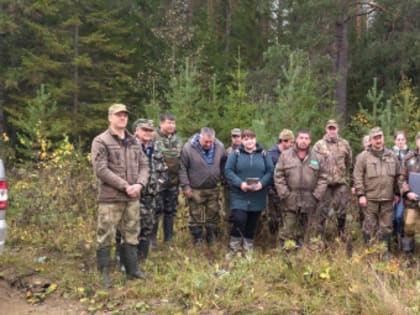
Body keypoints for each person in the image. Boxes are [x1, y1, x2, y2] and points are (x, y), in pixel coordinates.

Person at [91, 104, 149, 287]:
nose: (122, 118)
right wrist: (126, 186)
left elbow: (144, 165)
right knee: (105, 235)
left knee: (132, 234)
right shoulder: (101, 141)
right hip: (110, 198)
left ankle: (132, 271)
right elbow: (100, 169)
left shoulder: (134, 141)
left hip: (132, 198)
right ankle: (104, 274)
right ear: (110, 118)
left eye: (125, 115)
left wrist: (139, 184)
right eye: (118, 115)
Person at [274, 129, 328, 247]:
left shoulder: (318, 157)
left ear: (310, 141)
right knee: (288, 230)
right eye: (301, 138)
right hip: (290, 199)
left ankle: (301, 254)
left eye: (306, 138)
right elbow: (278, 176)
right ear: (296, 140)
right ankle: (286, 256)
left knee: (305, 231)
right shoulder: (285, 155)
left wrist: (316, 195)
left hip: (310, 199)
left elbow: (323, 178)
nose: (303, 141)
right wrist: (285, 194)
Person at [224, 129, 274, 256]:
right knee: (239, 219)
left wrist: (261, 184)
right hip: (239, 193)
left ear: (255, 139)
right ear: (242, 141)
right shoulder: (235, 154)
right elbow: (228, 170)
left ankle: (248, 249)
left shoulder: (263, 154)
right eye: (246, 139)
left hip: (257, 194)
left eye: (251, 138)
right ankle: (233, 249)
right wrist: (240, 184)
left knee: (252, 222)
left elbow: (270, 171)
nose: (249, 141)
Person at [353, 127, 401, 253]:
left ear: (383, 138)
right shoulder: (364, 157)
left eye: (380, 137)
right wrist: (361, 195)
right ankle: (369, 254)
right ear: (371, 140)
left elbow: (398, 175)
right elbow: (357, 176)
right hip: (370, 199)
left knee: (386, 228)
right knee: (369, 227)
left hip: (387, 199)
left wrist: (397, 192)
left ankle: (384, 253)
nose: (378, 140)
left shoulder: (392, 156)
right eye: (375, 138)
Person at [179, 127, 226, 246]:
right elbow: (182, 168)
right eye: (206, 142)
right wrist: (186, 186)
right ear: (200, 138)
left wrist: (223, 178)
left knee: (213, 214)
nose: (209, 144)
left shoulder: (219, 146)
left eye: (211, 142)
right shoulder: (188, 148)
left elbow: (224, 162)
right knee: (196, 215)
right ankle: (197, 239)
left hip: (213, 187)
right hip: (195, 189)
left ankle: (211, 238)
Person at [132, 119, 168, 260]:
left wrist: (157, 185)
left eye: (150, 130)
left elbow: (163, 170)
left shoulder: (157, 147)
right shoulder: (130, 146)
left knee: (147, 225)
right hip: (132, 194)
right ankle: (127, 258)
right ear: (137, 130)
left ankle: (142, 258)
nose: (148, 133)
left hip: (151, 194)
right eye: (145, 130)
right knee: (131, 226)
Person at [313, 119, 352, 240]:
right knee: (322, 211)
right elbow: (313, 163)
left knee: (342, 209)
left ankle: (341, 234)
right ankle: (320, 238)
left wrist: (344, 175)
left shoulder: (344, 144)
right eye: (330, 128)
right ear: (326, 129)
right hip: (324, 183)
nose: (332, 131)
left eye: (334, 128)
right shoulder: (319, 145)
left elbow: (349, 161)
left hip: (340, 183)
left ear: (337, 129)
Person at [152, 113, 183, 246]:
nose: (171, 125)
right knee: (155, 210)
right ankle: (151, 240)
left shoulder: (178, 139)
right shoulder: (153, 137)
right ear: (161, 123)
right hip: (157, 182)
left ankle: (168, 239)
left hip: (173, 182)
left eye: (173, 123)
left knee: (170, 211)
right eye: (168, 122)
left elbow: (182, 159)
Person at [266, 129, 294, 242]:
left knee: (286, 216)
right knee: (273, 218)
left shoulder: (292, 153)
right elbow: (267, 173)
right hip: (272, 190)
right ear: (283, 141)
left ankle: (285, 239)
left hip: (288, 191)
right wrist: (269, 189)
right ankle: (273, 239)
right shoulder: (271, 154)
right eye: (290, 142)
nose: (292, 145)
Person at [399, 131, 420, 258]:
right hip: (411, 201)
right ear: (417, 141)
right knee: (409, 227)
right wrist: (407, 192)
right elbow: (401, 179)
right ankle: (408, 257)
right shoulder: (408, 157)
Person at [392, 131, 409, 248]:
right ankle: (394, 241)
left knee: (399, 217)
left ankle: (402, 240)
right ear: (394, 141)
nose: (400, 141)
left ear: (406, 141)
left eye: (402, 139)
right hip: (391, 192)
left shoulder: (410, 154)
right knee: (392, 218)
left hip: (405, 192)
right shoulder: (389, 154)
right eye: (398, 139)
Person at [222, 128, 242, 231]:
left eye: (238, 136)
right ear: (231, 138)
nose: (236, 139)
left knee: (242, 212)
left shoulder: (246, 150)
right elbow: (222, 169)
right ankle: (229, 234)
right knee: (229, 213)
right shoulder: (227, 152)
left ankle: (242, 234)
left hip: (242, 188)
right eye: (234, 136)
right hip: (229, 188)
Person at [350, 135, 371, 227]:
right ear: (363, 144)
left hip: (372, 187)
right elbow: (353, 172)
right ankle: (363, 231)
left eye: (369, 141)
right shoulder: (358, 157)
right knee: (361, 210)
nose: (368, 143)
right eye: (365, 141)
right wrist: (353, 185)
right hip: (361, 187)